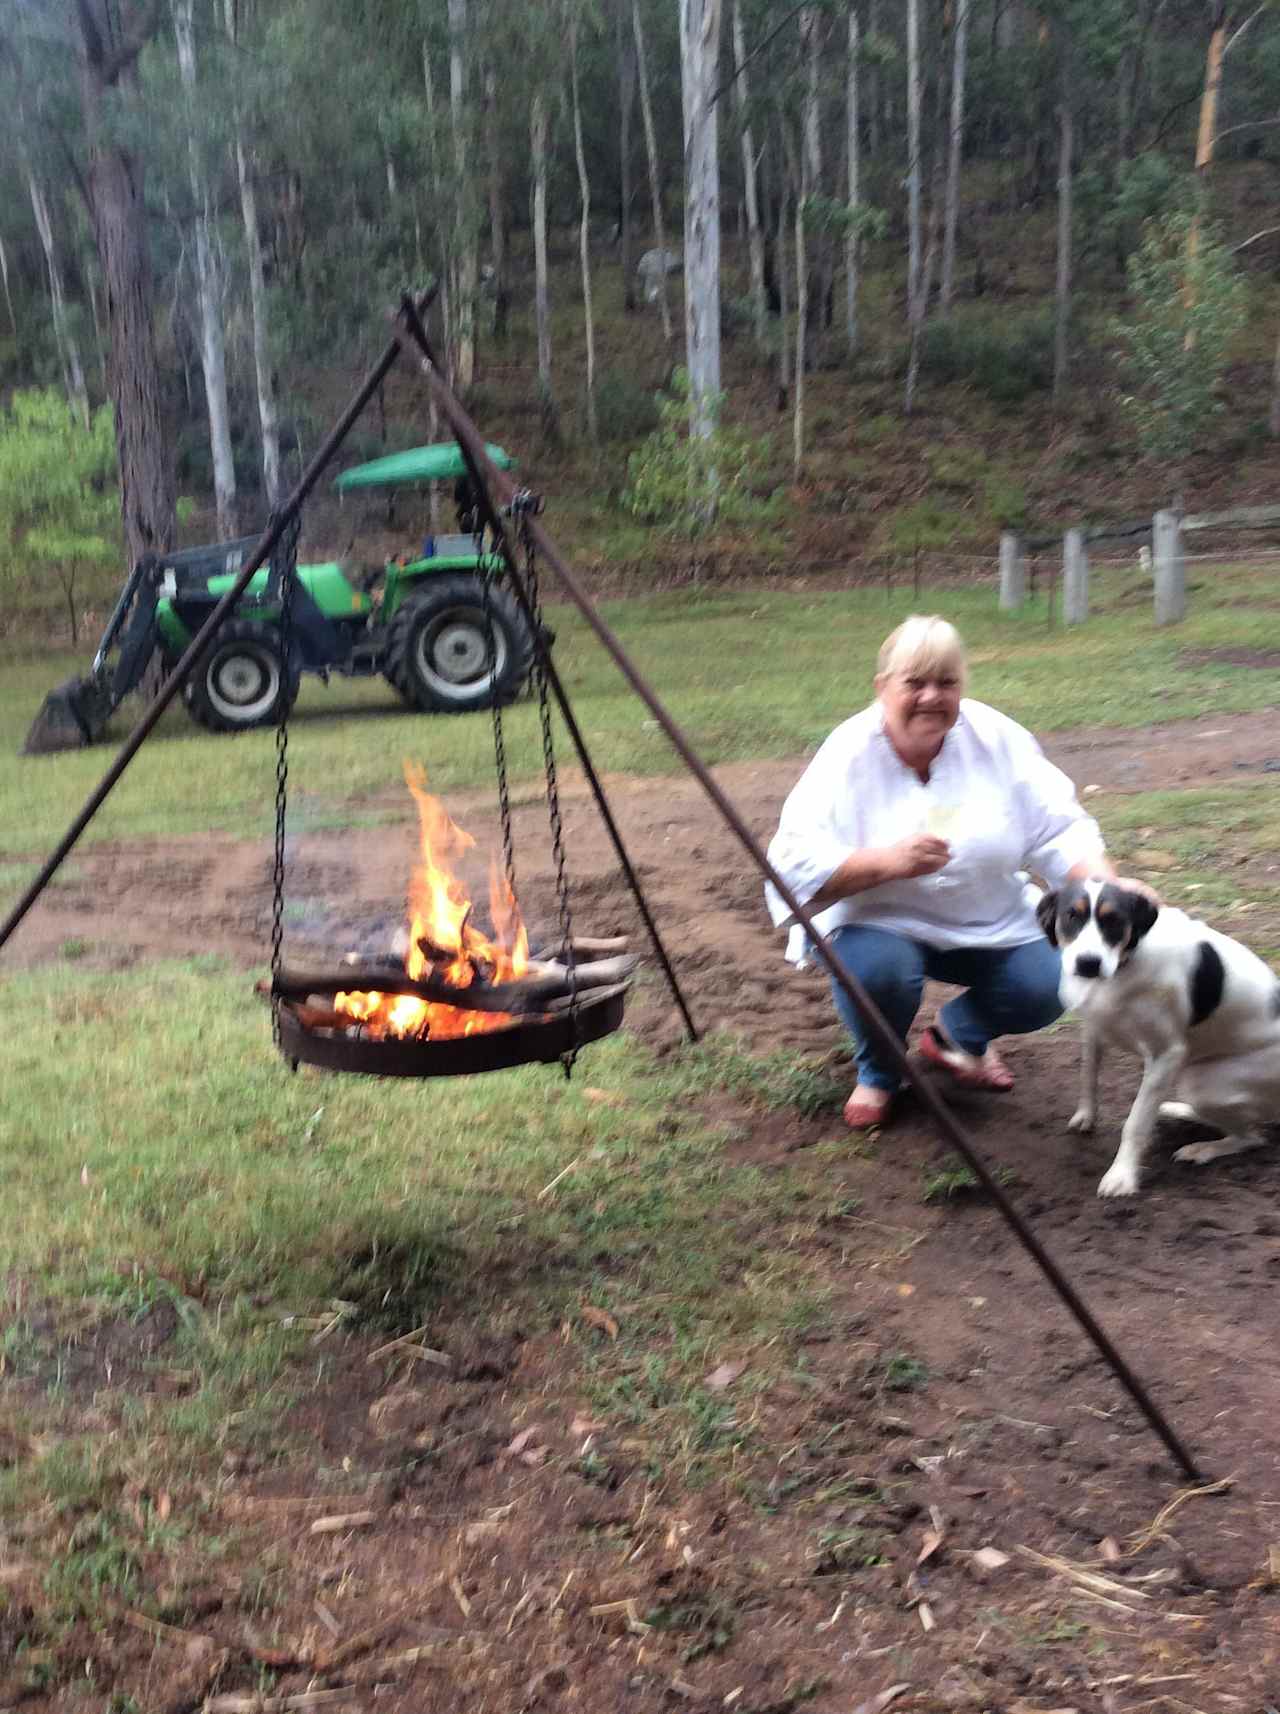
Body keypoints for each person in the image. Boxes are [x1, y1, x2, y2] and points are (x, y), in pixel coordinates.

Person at [765, 614, 1120, 1131]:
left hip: (988, 916)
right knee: (881, 972)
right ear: (883, 688)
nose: (932, 696)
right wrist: (886, 863)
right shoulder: (847, 754)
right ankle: (880, 1072)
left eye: (947, 682)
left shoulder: (997, 738)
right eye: (915, 682)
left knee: (1053, 980)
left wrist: (1103, 882)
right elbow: (791, 863)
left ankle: (956, 1036)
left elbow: (1060, 828)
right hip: (879, 921)